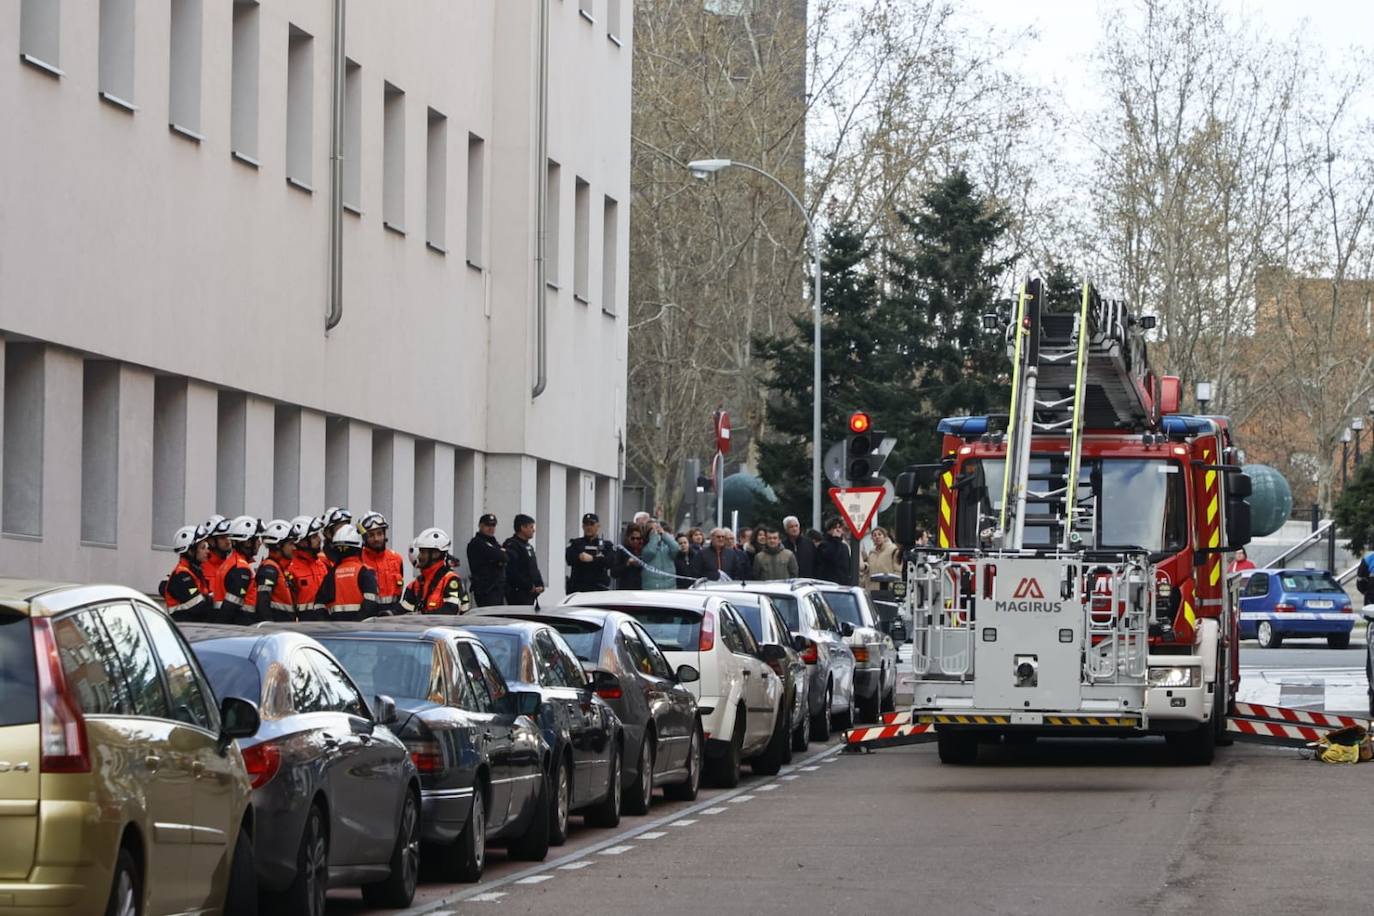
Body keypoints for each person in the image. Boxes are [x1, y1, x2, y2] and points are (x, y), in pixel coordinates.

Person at [316, 524, 379, 621]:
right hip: (361, 631)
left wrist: (328, 625)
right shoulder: (365, 571)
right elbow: (371, 602)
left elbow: (318, 605)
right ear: (359, 547)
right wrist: (357, 623)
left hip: (335, 632)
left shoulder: (331, 574)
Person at [401, 528, 468, 614]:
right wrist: (389, 614)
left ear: (436, 554)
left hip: (449, 627)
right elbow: (405, 609)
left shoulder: (451, 580)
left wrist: (421, 615)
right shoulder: (417, 584)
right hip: (423, 627)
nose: (419, 557)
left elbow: (450, 610)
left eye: (423, 552)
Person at [213, 515, 261, 624]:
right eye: (257, 539)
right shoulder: (241, 569)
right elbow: (230, 606)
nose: (260, 543)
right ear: (248, 542)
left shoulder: (230, 562)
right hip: (240, 626)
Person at [162, 523, 213, 622]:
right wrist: (210, 598)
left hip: (194, 629)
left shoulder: (194, 572)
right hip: (185, 629)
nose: (207, 551)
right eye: (203, 547)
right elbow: (199, 607)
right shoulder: (182, 575)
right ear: (190, 551)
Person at [359, 511, 406, 615]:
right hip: (366, 618)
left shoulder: (396, 559)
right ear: (364, 538)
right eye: (371, 535)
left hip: (392, 617)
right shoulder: (358, 560)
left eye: (379, 533)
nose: (376, 539)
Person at [255, 519, 298, 622]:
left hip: (282, 627)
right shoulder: (269, 569)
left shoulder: (278, 568)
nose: (294, 547)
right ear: (278, 545)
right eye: (290, 544)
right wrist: (268, 627)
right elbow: (263, 603)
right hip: (275, 629)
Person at [466, 513, 509, 607]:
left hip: (498, 588)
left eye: (493, 525)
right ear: (480, 526)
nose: (491, 528)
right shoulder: (477, 543)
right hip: (486, 589)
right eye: (487, 525)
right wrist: (499, 555)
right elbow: (500, 556)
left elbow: (506, 556)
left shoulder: (493, 543)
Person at [288, 514, 327, 616]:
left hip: (323, 624)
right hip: (300, 626)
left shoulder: (321, 564)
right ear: (301, 541)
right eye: (314, 536)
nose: (320, 539)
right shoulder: (289, 567)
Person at [566, 512, 614, 594]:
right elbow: (569, 559)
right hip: (579, 589)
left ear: (598, 526)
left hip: (598, 589)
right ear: (582, 526)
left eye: (591, 524)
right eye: (586, 524)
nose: (588, 527)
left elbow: (610, 561)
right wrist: (579, 557)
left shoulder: (606, 545)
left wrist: (592, 559)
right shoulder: (576, 543)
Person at [505, 514, 546, 604]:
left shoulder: (528, 546)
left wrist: (540, 584)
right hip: (518, 593)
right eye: (531, 527)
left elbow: (534, 568)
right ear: (522, 528)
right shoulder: (512, 545)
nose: (533, 530)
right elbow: (513, 571)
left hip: (530, 593)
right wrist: (529, 586)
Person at [633, 512, 681, 590]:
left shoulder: (666, 545)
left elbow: (675, 548)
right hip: (652, 587)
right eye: (653, 530)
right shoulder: (644, 545)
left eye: (657, 529)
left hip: (670, 586)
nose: (656, 532)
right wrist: (654, 537)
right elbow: (650, 553)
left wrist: (664, 534)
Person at [815, 517, 853, 585]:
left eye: (840, 527)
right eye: (835, 527)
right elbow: (833, 558)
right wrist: (836, 539)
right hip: (828, 585)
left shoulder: (845, 547)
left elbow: (847, 567)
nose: (838, 530)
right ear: (829, 530)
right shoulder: (823, 545)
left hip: (843, 585)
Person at [613, 522, 646, 589]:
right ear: (628, 537)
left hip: (641, 588)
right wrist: (627, 564)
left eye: (638, 538)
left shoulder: (643, 550)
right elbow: (614, 573)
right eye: (633, 538)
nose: (635, 541)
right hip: (626, 588)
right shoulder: (622, 550)